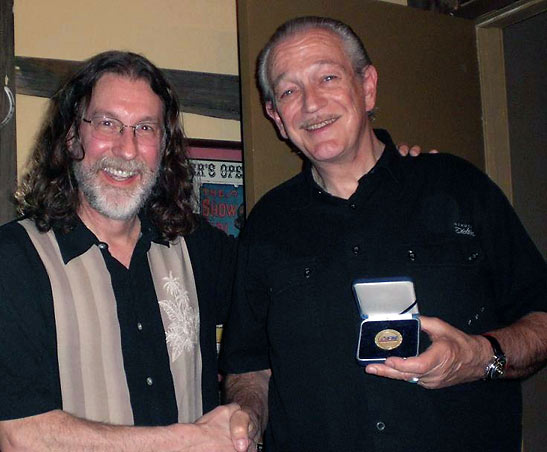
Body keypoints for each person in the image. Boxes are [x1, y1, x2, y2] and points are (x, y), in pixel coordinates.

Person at [220, 16, 547, 452]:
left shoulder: (459, 188)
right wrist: (247, 417)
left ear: (367, 86)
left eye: (328, 77)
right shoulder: (265, 225)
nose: (311, 104)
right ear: (277, 117)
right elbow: (249, 365)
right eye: (289, 91)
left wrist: (479, 357)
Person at [0, 50, 242, 451]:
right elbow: (18, 435)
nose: (127, 150)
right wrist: (189, 441)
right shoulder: (14, 261)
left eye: (145, 128)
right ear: (72, 135)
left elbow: (277, 313)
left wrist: (248, 407)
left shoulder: (196, 248)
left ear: (164, 146)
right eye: (107, 123)